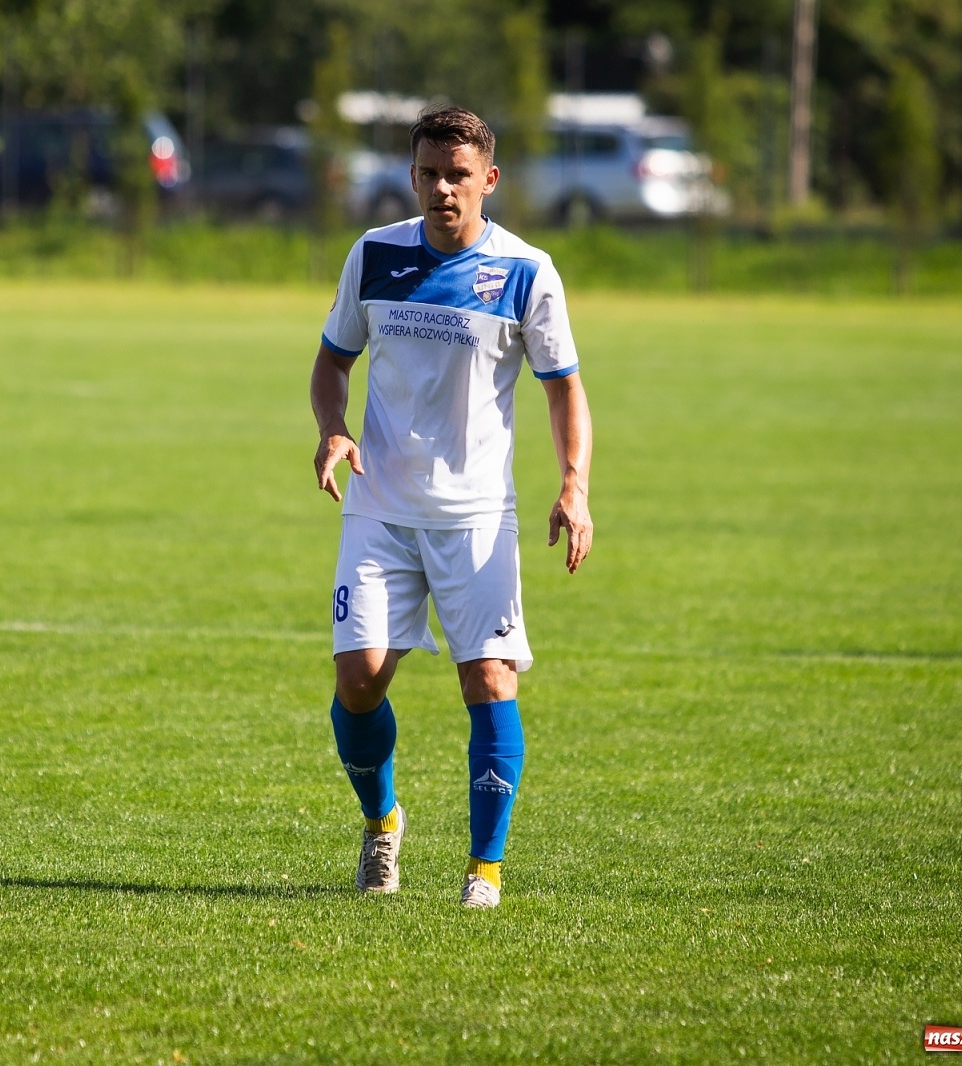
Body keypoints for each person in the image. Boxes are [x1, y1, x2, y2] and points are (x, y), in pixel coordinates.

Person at [309, 106, 594, 909]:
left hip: (476, 519)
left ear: (488, 180)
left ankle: (485, 870)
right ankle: (382, 824)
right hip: (379, 510)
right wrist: (333, 432)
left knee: (491, 681)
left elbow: (565, 390)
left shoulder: (526, 272)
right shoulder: (374, 256)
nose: (443, 189)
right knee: (359, 681)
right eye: (430, 173)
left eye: (458, 175)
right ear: (413, 176)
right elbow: (331, 363)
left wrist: (573, 484)